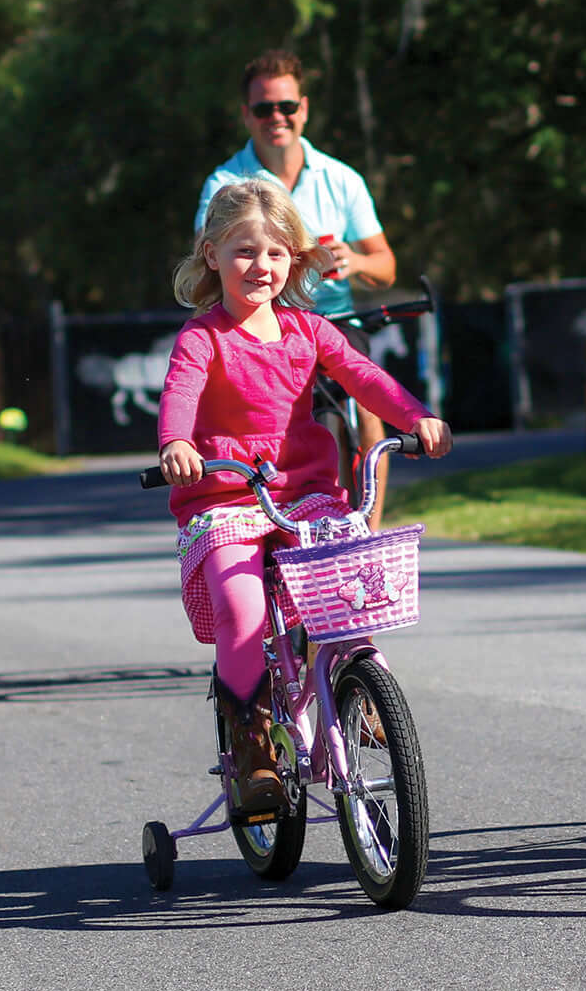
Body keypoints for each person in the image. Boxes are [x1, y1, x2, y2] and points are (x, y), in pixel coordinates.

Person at [155, 176, 446, 817]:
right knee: (244, 608)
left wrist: (414, 417)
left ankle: (362, 693)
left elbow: (362, 375)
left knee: (350, 580)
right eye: (244, 252)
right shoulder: (204, 337)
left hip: (305, 493)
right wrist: (177, 442)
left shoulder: (308, 330)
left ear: (295, 259)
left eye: (277, 253)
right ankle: (253, 746)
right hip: (224, 497)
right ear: (212, 256)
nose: (262, 267)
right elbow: (179, 392)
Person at [193, 49, 405, 501]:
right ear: (246, 115)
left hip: (336, 322)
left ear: (303, 109)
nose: (277, 117)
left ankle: (368, 534)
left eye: (287, 106)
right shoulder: (223, 183)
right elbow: (204, 260)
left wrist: (355, 262)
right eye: (264, 108)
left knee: (369, 408)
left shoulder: (341, 178)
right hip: (257, 324)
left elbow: (385, 266)